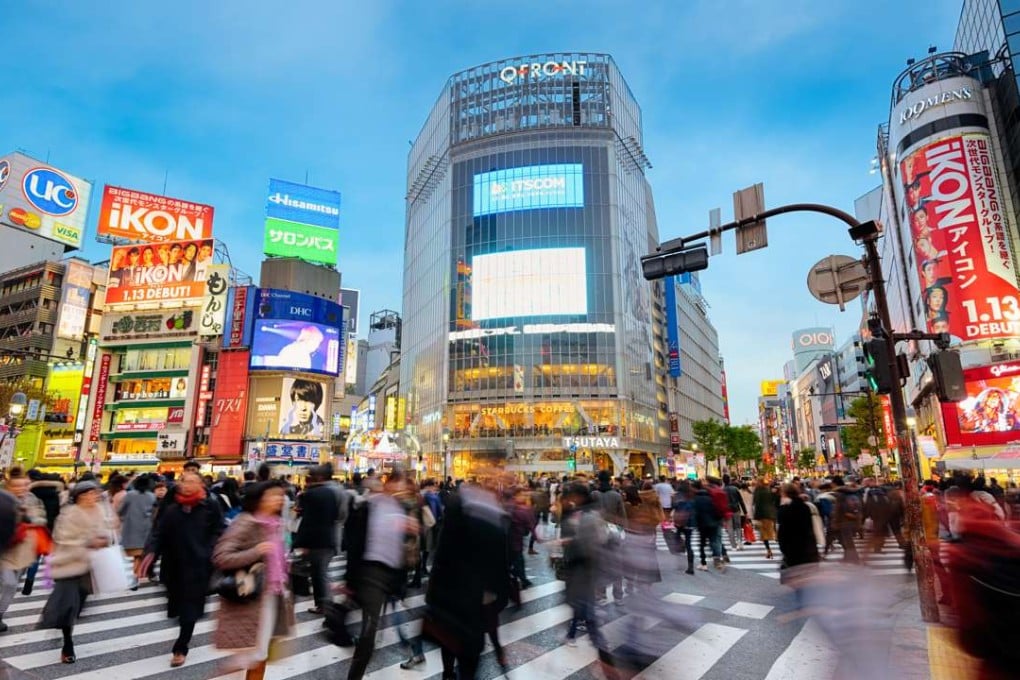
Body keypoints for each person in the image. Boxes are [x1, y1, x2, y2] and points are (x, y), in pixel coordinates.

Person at [421, 478, 510, 678]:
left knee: (449, 644)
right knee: (469, 662)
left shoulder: (454, 519)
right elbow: (500, 570)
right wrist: (497, 601)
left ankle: (447, 673)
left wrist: (432, 598)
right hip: (475, 605)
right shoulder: (495, 523)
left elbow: (440, 560)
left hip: (449, 600)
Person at [139, 469, 223, 667]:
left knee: (189, 609)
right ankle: (183, 627)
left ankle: (181, 647)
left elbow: (219, 530)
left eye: (192, 481)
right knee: (175, 604)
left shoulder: (210, 506)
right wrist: (150, 554)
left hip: (199, 566)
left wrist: (209, 551)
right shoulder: (172, 508)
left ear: (201, 485)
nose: (187, 484)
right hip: (173, 564)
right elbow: (159, 533)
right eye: (184, 481)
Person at [213, 481, 294, 679]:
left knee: (262, 652)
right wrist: (255, 551)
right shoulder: (246, 522)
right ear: (258, 499)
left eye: (280, 495)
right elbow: (221, 556)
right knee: (254, 653)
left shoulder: (276, 523)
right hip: (252, 596)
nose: (278, 500)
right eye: (272, 495)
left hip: (274, 593)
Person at [344, 469, 418, 679]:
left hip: (391, 576)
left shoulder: (403, 510)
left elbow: (404, 551)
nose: (400, 489)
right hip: (370, 575)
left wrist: (409, 534)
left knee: (374, 628)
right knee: (369, 631)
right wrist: (350, 580)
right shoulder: (370, 506)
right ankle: (355, 674)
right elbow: (356, 544)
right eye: (398, 484)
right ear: (389, 484)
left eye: (403, 485)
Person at [38, 480, 115, 664]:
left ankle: (62, 622)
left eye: (94, 493)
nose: (91, 497)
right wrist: (89, 542)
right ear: (78, 496)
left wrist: (106, 540)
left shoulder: (100, 510)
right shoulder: (69, 514)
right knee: (69, 606)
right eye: (86, 494)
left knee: (79, 604)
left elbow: (110, 530)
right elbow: (62, 537)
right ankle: (68, 644)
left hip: (91, 565)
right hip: (68, 564)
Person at [560, 482, 609, 649]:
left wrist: (571, 542)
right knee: (584, 604)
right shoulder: (588, 513)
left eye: (573, 495)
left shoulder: (587, 516)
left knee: (583, 605)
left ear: (579, 496)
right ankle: (579, 635)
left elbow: (588, 545)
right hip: (588, 568)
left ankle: (594, 640)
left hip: (584, 568)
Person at [0, 468, 47, 632]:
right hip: (4, 549)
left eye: (25, 485)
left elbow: (41, 519)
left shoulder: (32, 499)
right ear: (9, 485)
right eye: (17, 486)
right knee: (9, 583)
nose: (22, 489)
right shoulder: (3, 498)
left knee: (12, 585)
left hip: (22, 551)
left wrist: (30, 518)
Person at [293, 465, 340, 615]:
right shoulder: (332, 493)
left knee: (318, 575)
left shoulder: (310, 494)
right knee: (320, 573)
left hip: (316, 542)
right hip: (329, 538)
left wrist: (299, 542)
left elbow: (308, 521)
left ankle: (325, 606)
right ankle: (325, 604)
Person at [777, 484, 821, 605]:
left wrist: (782, 506)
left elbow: (782, 528)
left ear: (785, 494)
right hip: (807, 545)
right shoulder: (804, 507)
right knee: (806, 573)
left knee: (796, 573)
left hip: (793, 547)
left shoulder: (786, 509)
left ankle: (804, 598)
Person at [118, 474, 156, 589]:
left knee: (136, 556)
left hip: (131, 529)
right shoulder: (151, 496)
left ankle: (135, 577)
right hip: (146, 529)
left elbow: (121, 511)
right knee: (141, 555)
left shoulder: (130, 495)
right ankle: (140, 575)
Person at [262, 325, 326, 371]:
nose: (317, 346)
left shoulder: (294, 348)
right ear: (310, 339)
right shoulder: (299, 352)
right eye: (317, 341)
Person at [752, 478, 778, 560]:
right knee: (772, 531)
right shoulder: (768, 491)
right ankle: (773, 547)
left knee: (764, 534)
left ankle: (769, 550)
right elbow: (774, 500)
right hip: (771, 514)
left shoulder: (758, 492)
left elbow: (756, 503)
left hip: (762, 515)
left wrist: (756, 516)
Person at [722, 474, 747, 551]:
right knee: (738, 526)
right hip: (736, 509)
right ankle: (739, 542)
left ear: (723, 481)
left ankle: (733, 545)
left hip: (727, 511)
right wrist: (745, 511)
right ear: (729, 480)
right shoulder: (735, 489)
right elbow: (741, 501)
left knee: (730, 528)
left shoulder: (722, 490)